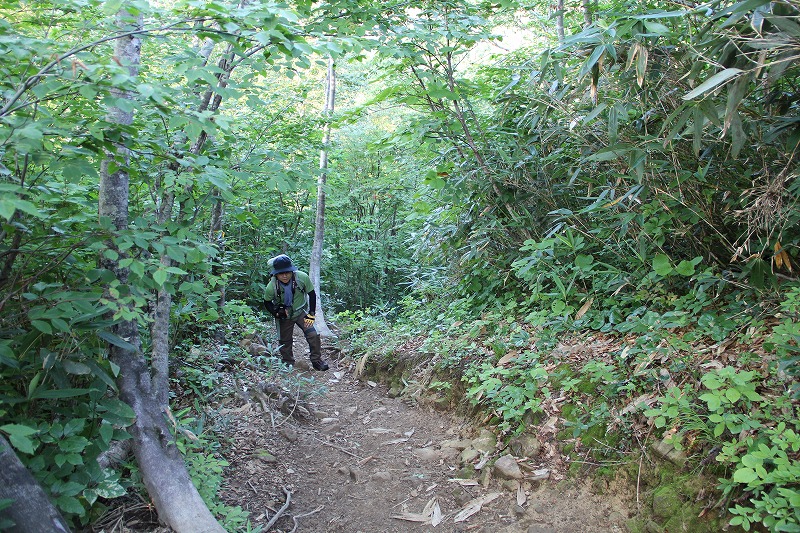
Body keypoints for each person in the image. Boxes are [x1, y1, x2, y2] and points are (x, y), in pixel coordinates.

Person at [263, 254, 329, 371]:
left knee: (313, 334)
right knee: (284, 340)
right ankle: (288, 362)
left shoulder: (302, 278)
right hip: (285, 315)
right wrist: (276, 312)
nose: (284, 275)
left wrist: (311, 314)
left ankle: (316, 360)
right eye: (281, 273)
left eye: (287, 272)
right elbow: (267, 302)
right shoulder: (271, 286)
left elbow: (312, 294)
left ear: (292, 271)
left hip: (301, 311)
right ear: (276, 274)